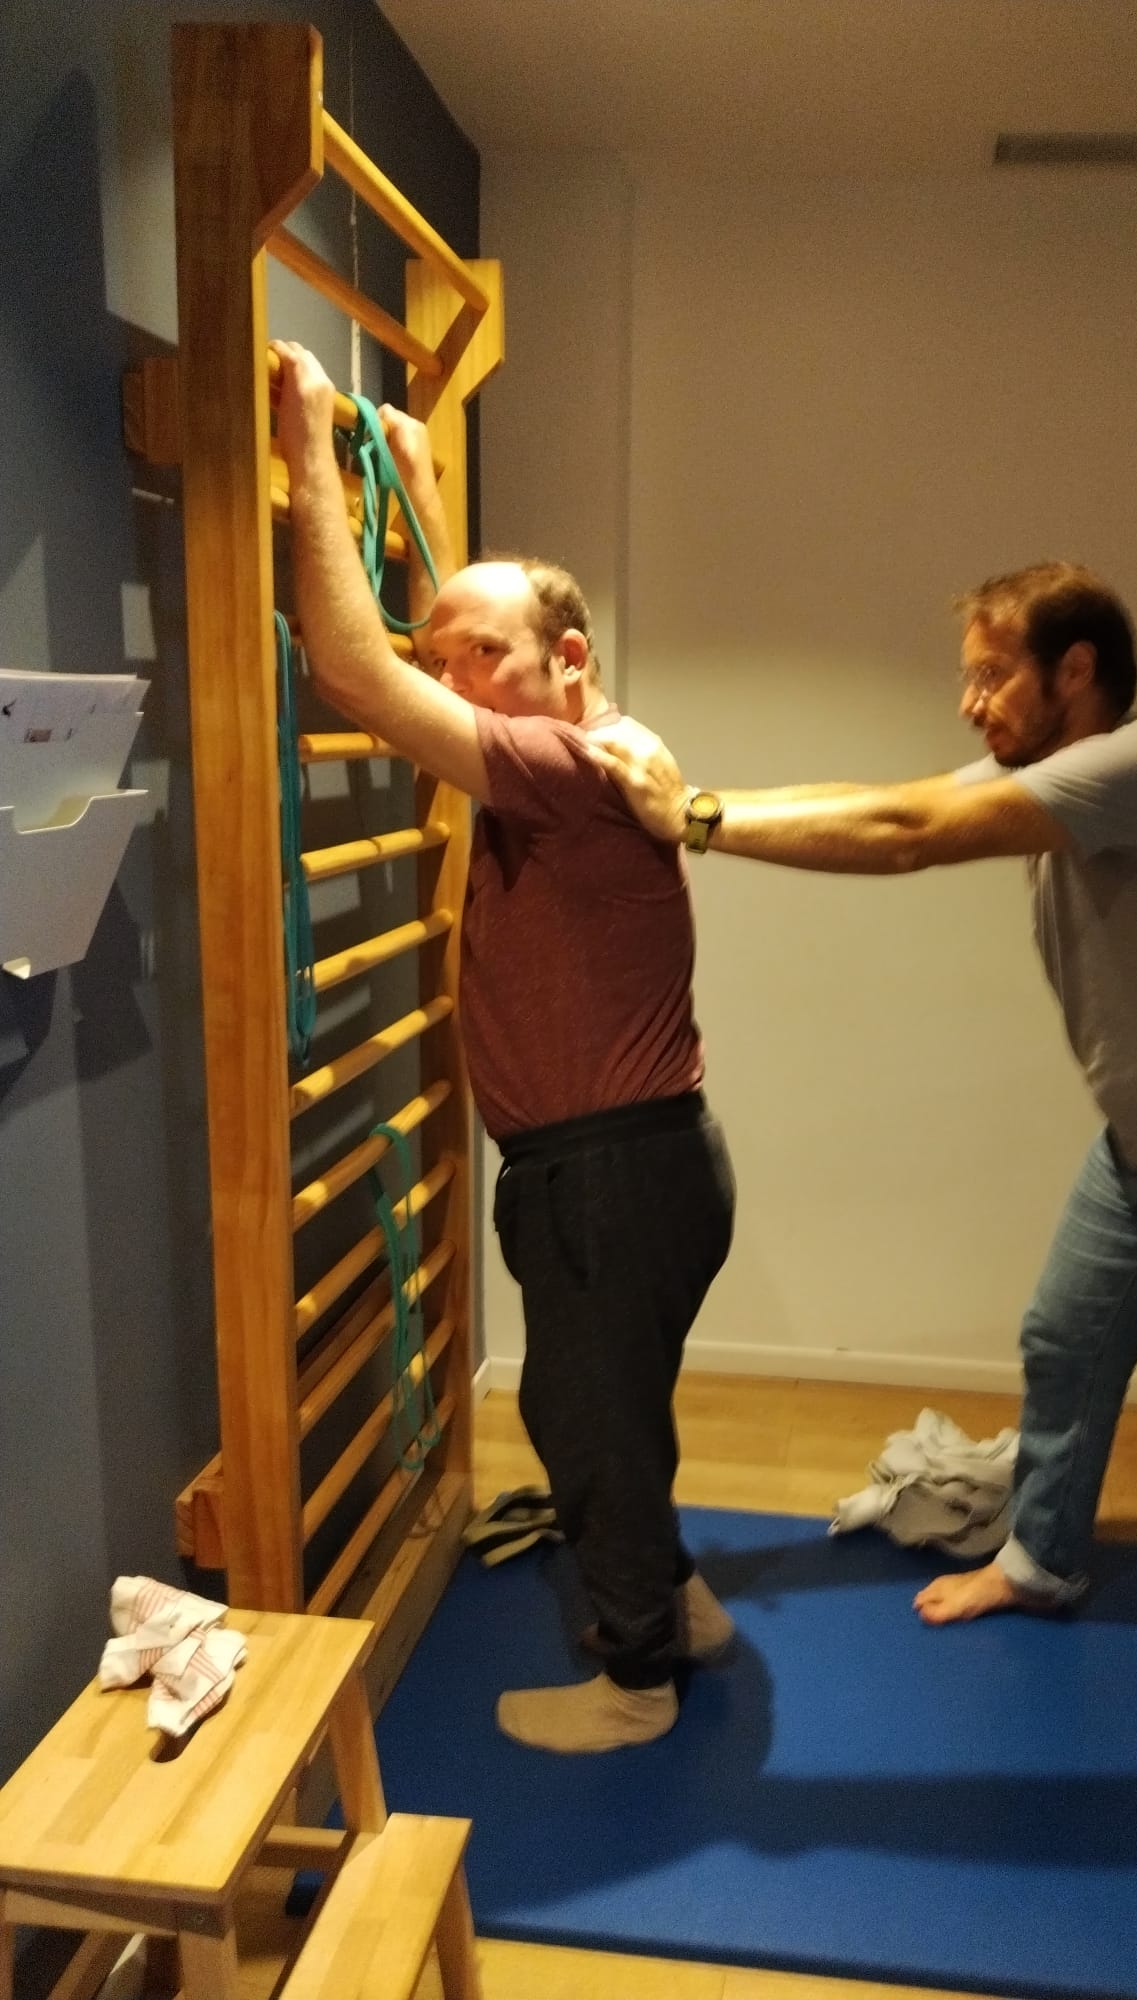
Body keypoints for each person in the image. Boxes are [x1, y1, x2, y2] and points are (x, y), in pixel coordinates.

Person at [586, 560, 1137, 1743]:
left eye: (992, 675)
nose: (969, 702)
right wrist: (700, 800)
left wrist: (692, 817)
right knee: (1066, 1340)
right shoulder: (1054, 778)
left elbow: (909, 835)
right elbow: (883, 798)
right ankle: (1041, 1559)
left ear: (1076, 670)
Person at [272, 341, 736, 1754]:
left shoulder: (558, 766)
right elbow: (460, 643)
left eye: (482, 655)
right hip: (648, 1163)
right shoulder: (581, 739)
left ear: (566, 662)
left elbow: (356, 670)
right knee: (617, 1409)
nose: (454, 671)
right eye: (450, 652)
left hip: (604, 1177)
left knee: (583, 1421)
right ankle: (681, 1603)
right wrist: (419, 493)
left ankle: (639, 1681)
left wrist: (309, 451)